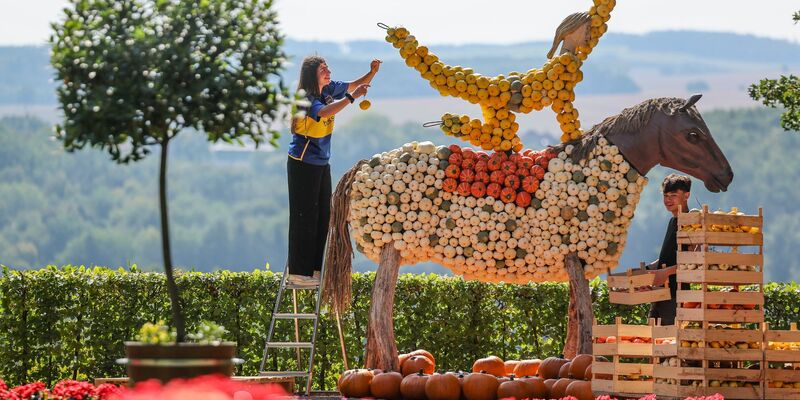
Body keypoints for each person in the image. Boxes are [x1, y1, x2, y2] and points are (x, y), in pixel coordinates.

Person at [286, 55, 381, 286]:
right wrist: (351, 98)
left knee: (323, 216)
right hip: (302, 162)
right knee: (304, 216)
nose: (328, 71)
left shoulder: (328, 89)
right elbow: (324, 113)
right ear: (312, 74)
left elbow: (352, 85)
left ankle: (315, 269)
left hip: (320, 162)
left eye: (327, 67)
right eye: (322, 69)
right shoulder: (305, 98)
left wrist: (372, 72)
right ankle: (298, 272)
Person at [648, 174, 693, 325]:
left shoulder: (693, 223)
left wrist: (666, 272)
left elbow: (695, 261)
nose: (668, 200)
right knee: (652, 339)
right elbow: (670, 255)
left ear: (687, 195)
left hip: (677, 295)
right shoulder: (673, 221)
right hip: (660, 293)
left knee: (669, 342)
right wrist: (649, 268)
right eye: (666, 195)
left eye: (674, 195)